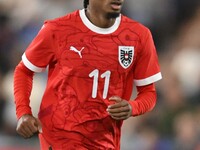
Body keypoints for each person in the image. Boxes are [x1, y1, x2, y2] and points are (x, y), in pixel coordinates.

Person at [13, 0, 162, 149]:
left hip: (105, 142)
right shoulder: (57, 29)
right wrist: (23, 112)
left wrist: (132, 107)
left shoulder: (139, 35)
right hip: (59, 139)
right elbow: (24, 71)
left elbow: (149, 93)